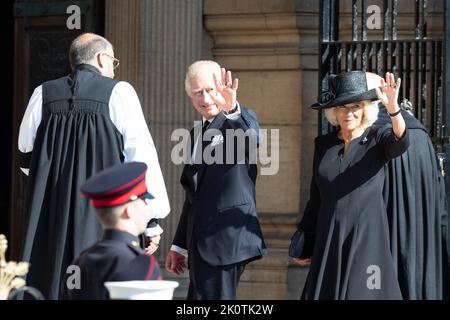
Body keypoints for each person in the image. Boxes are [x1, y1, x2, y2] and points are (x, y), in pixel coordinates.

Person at [18, 33, 170, 299]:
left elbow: (25, 156)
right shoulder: (120, 92)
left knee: (48, 281)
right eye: (114, 62)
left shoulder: (42, 94)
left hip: (49, 213)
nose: (113, 70)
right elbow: (141, 158)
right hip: (100, 214)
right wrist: (151, 220)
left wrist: (52, 183)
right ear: (102, 59)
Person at [291, 71, 409, 299]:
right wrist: (305, 239)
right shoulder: (323, 145)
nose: (349, 112)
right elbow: (316, 197)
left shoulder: (377, 138)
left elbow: (399, 142)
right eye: (343, 106)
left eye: (355, 105)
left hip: (366, 235)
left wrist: (394, 110)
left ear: (365, 109)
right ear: (334, 111)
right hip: (329, 237)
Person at [165, 60, 267, 300]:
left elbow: (251, 141)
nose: (205, 98)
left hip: (226, 240)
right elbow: (194, 197)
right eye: (197, 92)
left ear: (223, 89)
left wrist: (232, 110)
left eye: (210, 90)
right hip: (200, 242)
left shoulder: (240, 118)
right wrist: (179, 245)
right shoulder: (195, 134)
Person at [365, 73, 450, 299]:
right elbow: (440, 200)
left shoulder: (374, 136)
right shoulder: (420, 132)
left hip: (382, 241)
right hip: (423, 240)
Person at [62, 162, 162, 300]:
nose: (147, 207)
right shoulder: (140, 264)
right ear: (129, 211)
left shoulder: (79, 263)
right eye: (144, 201)